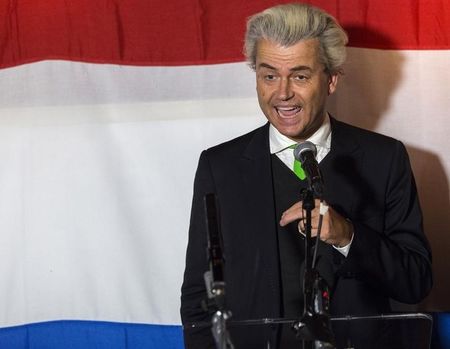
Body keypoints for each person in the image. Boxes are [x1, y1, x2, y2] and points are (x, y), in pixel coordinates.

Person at [180, 3, 432, 348]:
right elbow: (198, 293)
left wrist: (347, 236)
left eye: (300, 76)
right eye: (269, 76)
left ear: (330, 80)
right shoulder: (219, 166)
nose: (282, 93)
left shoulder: (385, 158)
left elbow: (415, 281)